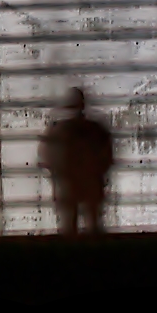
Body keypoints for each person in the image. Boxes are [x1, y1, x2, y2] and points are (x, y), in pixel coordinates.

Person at [38, 88, 114, 237]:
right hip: (84, 183)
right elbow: (107, 156)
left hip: (72, 184)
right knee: (90, 226)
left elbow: (47, 158)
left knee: (72, 227)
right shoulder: (95, 129)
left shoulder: (57, 130)